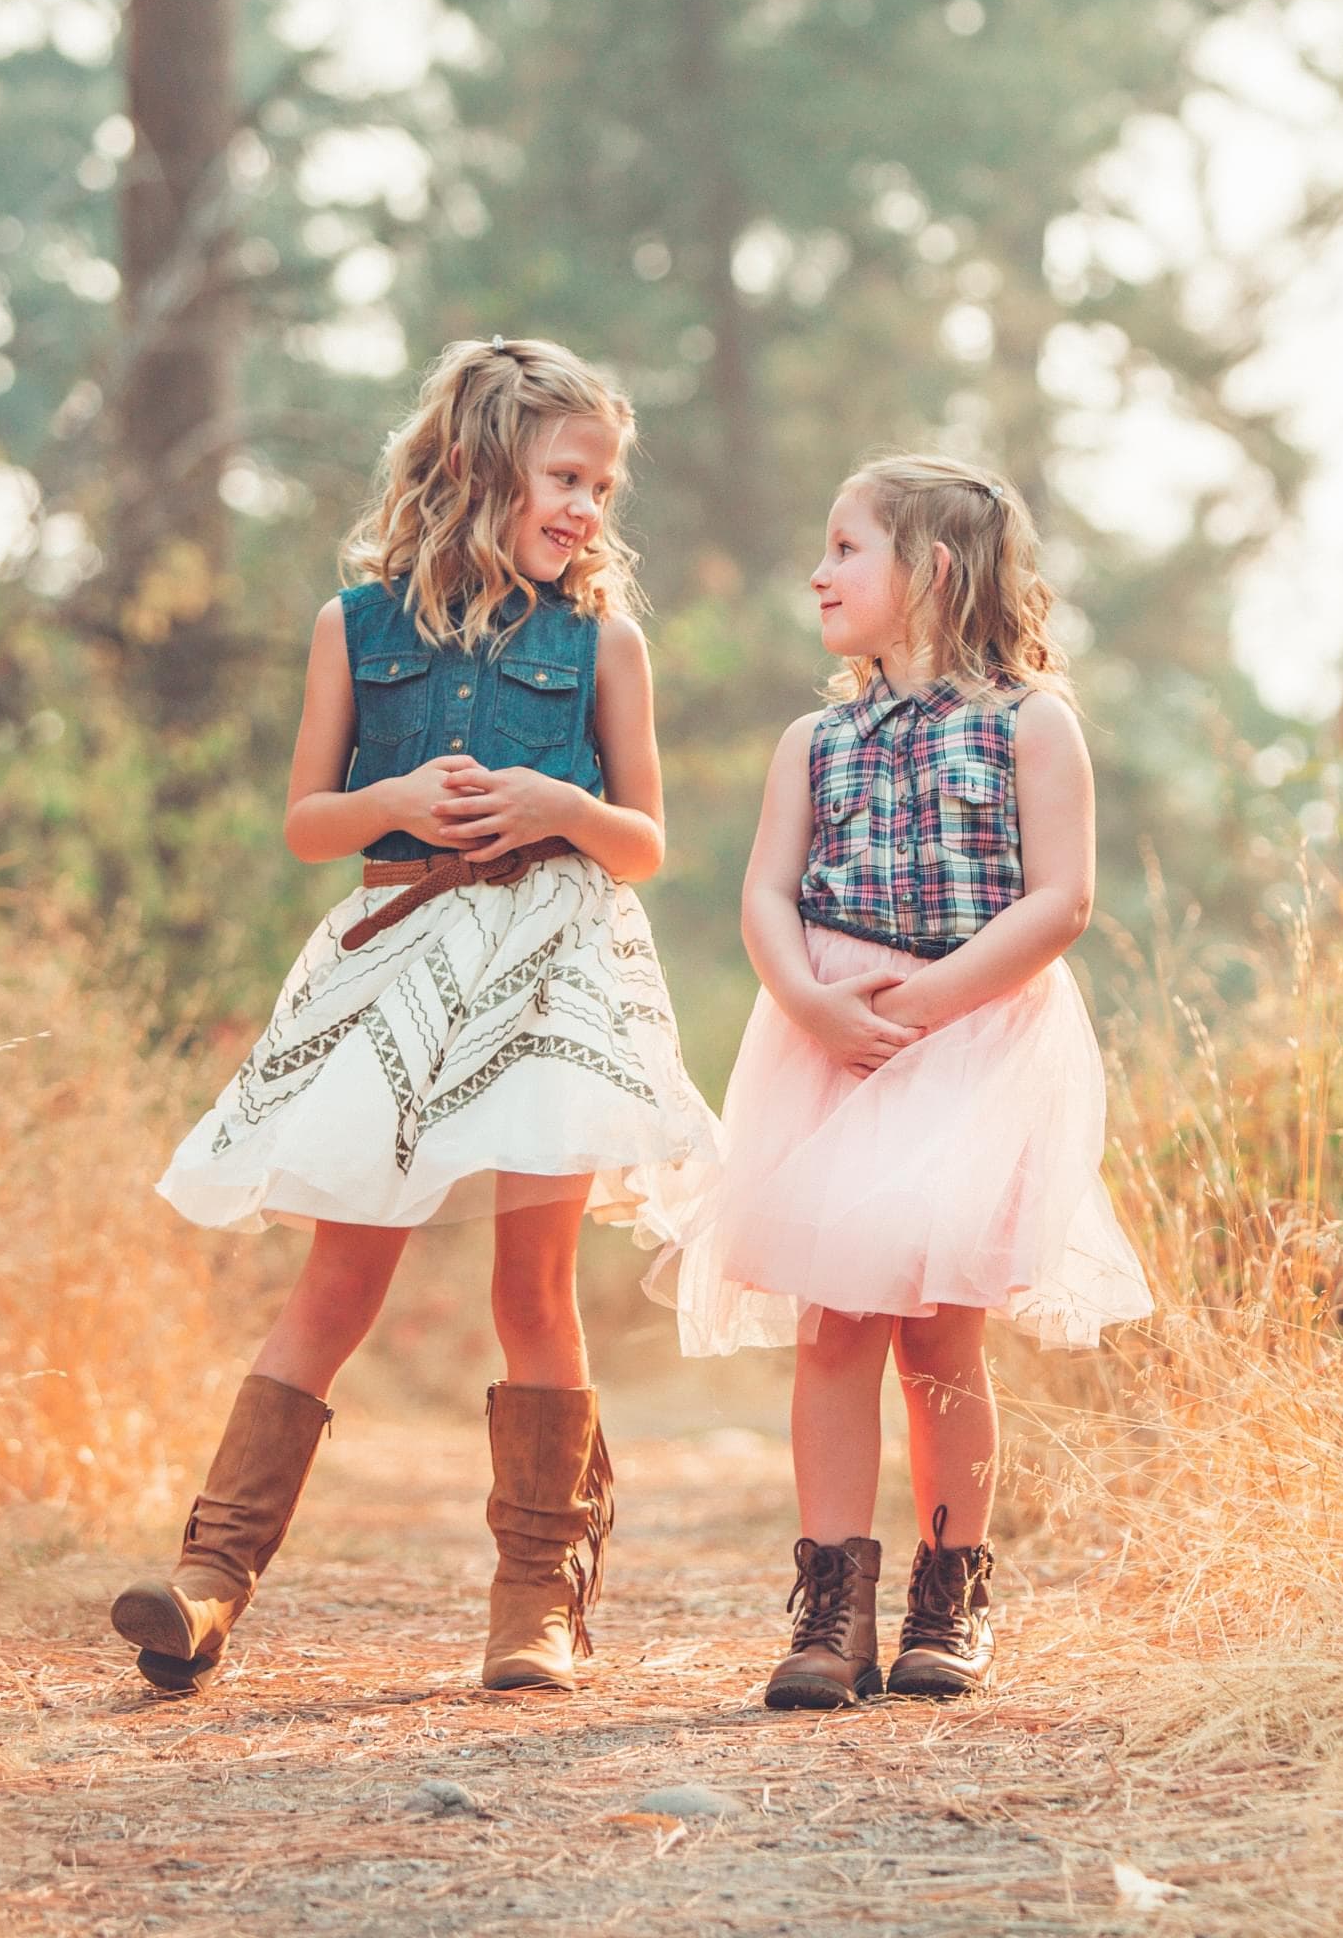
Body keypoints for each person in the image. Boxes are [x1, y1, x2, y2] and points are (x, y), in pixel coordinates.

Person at [124, 335, 718, 1696]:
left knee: (534, 1287)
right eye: (564, 475)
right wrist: (393, 805)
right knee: (339, 1278)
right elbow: (307, 821)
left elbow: (645, 840)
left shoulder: (603, 639)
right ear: (475, 465)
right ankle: (208, 1582)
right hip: (399, 959)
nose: (586, 507)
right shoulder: (355, 625)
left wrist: (564, 809)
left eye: (602, 486)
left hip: (552, 963)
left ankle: (537, 1603)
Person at [651, 453, 1152, 1709]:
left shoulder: (1036, 720)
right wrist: (814, 1001)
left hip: (972, 1040)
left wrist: (928, 1004)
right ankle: (831, 1610)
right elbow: (767, 890)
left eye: (846, 547)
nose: (819, 572)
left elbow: (1063, 898)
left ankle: (950, 1594)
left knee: (940, 1332)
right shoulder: (812, 741)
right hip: (832, 1042)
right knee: (834, 1328)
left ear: (929, 570)